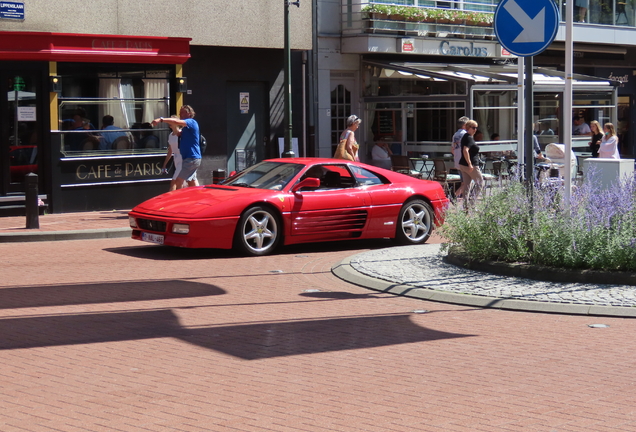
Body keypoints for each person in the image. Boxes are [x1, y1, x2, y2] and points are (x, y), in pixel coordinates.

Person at [152, 105, 200, 189]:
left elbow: (176, 121)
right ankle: (197, 198)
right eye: (179, 112)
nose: (180, 114)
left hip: (191, 158)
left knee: (178, 181)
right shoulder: (185, 129)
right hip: (187, 158)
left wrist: (161, 119)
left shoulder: (191, 122)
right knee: (191, 182)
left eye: (182, 112)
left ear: (189, 113)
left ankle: (179, 200)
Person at [455, 120, 484, 207]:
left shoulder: (466, 136)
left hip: (463, 165)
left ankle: (465, 206)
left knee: (467, 185)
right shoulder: (469, 137)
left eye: (476, 128)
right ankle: (472, 204)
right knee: (480, 183)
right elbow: (465, 150)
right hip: (470, 166)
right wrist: (470, 163)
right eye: (473, 128)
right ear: (468, 128)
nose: (475, 129)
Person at [161, 115, 187, 191]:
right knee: (181, 182)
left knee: (174, 182)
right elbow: (170, 151)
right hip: (176, 159)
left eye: (171, 121)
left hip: (182, 159)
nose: (170, 123)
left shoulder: (182, 134)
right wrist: (164, 164)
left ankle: (170, 200)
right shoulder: (170, 135)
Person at [451, 116, 470, 198]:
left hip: (457, 161)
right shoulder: (466, 135)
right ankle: (454, 196)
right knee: (469, 182)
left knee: (463, 182)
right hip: (464, 161)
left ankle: (457, 196)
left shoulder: (455, 135)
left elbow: (452, 149)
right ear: (465, 125)